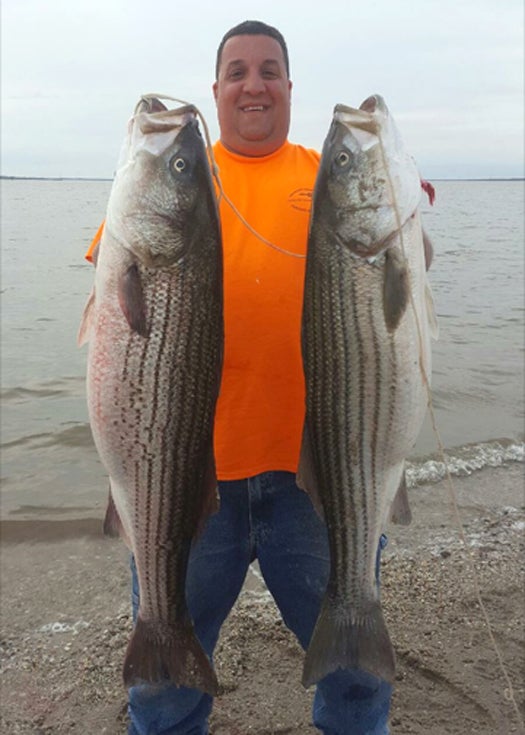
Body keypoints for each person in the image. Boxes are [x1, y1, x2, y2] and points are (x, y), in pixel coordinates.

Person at [88, 20, 394, 735]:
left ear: (289, 86)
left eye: (268, 70)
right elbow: (118, 298)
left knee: (354, 673)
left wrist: (410, 213)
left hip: (314, 477)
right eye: (236, 71)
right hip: (188, 479)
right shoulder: (178, 186)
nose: (252, 84)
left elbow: (385, 275)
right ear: (216, 89)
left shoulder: (325, 179)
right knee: (163, 690)